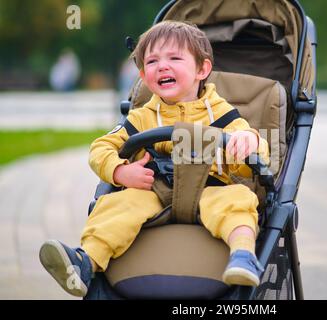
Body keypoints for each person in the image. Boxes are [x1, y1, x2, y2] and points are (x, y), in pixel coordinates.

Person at [39, 20, 269, 297]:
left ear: (202, 69)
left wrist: (250, 141)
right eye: (152, 61)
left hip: (210, 189)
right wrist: (120, 172)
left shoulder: (222, 113)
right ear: (143, 76)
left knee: (239, 201)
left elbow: (253, 146)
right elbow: (101, 148)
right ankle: (86, 262)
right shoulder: (141, 117)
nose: (162, 66)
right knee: (116, 205)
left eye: (174, 58)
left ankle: (243, 256)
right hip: (154, 192)